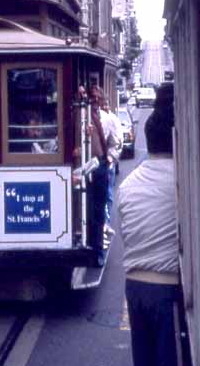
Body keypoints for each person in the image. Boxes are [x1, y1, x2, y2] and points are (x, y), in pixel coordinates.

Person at [117, 103, 179, 366]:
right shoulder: (184, 179)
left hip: (135, 287)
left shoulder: (128, 184)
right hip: (169, 287)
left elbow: (126, 233)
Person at [87, 84, 120, 266]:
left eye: (98, 99)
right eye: (92, 99)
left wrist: (109, 158)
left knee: (98, 210)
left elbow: (115, 144)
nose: (96, 102)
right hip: (83, 167)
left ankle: (98, 251)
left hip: (100, 166)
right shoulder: (80, 117)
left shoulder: (108, 119)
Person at [100, 97, 123, 240]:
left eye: (105, 104)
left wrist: (111, 158)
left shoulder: (112, 119)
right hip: (97, 164)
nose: (104, 107)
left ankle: (106, 223)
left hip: (107, 164)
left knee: (107, 194)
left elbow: (117, 142)